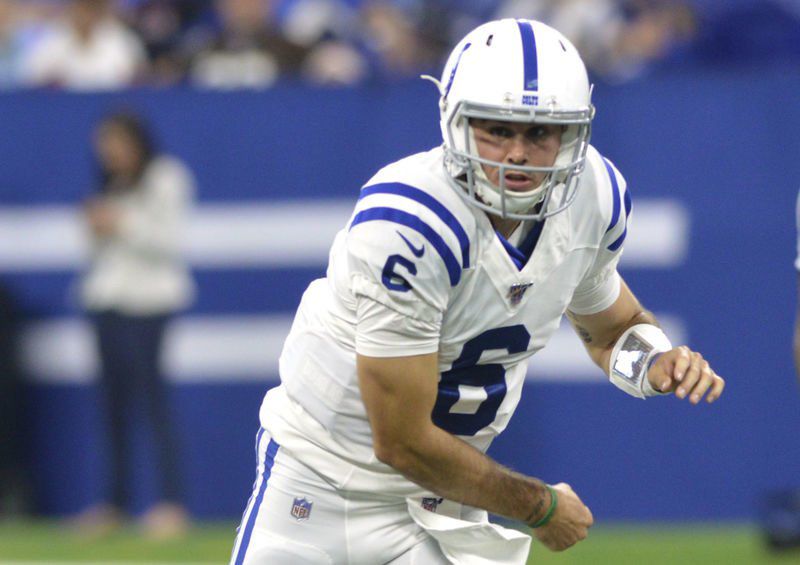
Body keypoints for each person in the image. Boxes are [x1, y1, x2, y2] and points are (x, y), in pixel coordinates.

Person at [230, 18, 725, 564]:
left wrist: (654, 365)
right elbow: (400, 440)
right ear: (454, 122)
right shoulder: (412, 224)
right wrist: (538, 506)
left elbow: (611, 332)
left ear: (573, 134)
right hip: (324, 483)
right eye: (496, 128)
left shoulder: (594, 197)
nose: (516, 153)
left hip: (449, 500)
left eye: (539, 133)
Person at [77, 111, 195, 538]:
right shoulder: (109, 185)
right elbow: (96, 254)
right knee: (112, 409)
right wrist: (94, 229)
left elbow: (169, 243)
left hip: (150, 305)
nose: (110, 153)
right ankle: (114, 504)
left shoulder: (166, 178)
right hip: (106, 304)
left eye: (116, 143)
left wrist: (119, 223)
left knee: (153, 403)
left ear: (137, 141)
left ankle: (170, 504)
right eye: (104, 145)